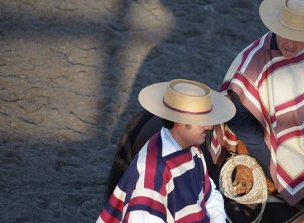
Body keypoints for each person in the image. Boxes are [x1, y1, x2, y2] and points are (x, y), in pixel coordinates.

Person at [209, 0, 304, 220]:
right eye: (284, 34)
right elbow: (237, 116)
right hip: (280, 150)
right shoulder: (254, 63)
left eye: (298, 38)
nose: (290, 44)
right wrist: (271, 162)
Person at [97, 79, 236, 223]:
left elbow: (210, 194)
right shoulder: (152, 174)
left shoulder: (193, 149)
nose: (209, 127)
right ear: (180, 123)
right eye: (201, 121)